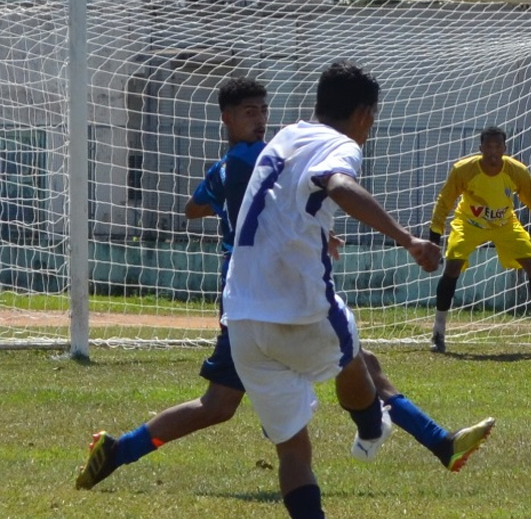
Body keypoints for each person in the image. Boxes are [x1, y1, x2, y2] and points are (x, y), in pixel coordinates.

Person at [75, 76, 494, 492]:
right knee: (347, 365)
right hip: (269, 290)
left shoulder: (234, 163)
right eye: (249, 112)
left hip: (247, 288)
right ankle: (416, 439)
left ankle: (118, 451)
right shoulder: (256, 157)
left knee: (224, 403)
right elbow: (280, 199)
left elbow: (195, 206)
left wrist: (278, 223)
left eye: (263, 111)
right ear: (227, 118)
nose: (260, 120)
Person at [221, 60, 453, 519]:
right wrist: (408, 239)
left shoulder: (286, 135)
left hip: (241, 316)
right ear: (365, 114)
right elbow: (338, 184)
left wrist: (316, 233)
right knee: (356, 358)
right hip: (299, 310)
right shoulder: (341, 146)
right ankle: (372, 428)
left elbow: (283, 200)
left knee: (294, 454)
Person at [427, 126, 531, 354]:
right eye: (488, 147)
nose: (493, 152)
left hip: (505, 224)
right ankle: (438, 333)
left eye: (498, 146)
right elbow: (444, 201)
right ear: (481, 149)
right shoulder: (463, 170)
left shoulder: (517, 171)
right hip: (469, 223)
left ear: (504, 149)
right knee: (452, 266)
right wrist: (434, 236)